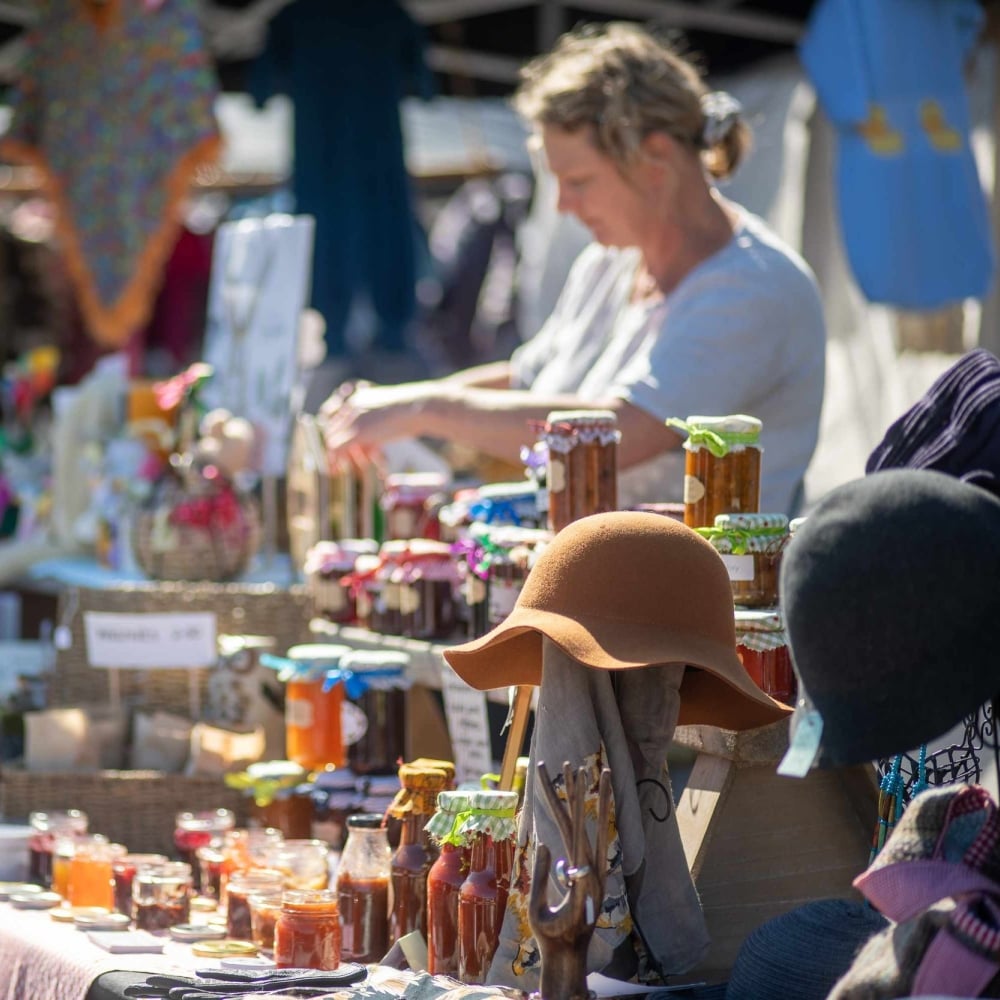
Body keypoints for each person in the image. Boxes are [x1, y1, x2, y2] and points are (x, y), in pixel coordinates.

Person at [322, 22, 827, 515]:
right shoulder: (609, 262)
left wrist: (422, 409)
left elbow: (620, 433)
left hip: (700, 574)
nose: (563, 204)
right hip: (596, 563)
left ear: (656, 157)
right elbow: (528, 382)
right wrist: (396, 404)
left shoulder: (754, 287)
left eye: (578, 181)